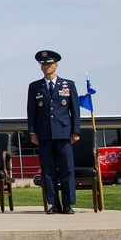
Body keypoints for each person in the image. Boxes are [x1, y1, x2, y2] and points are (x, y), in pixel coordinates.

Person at [27, 50, 81, 215]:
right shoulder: (35, 87)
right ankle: (53, 203)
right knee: (48, 171)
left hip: (63, 134)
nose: (46, 66)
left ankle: (67, 204)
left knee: (66, 170)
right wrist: (33, 132)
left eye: (49, 64)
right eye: (43, 64)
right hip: (44, 135)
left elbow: (75, 111)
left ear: (56, 65)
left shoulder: (68, 85)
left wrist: (75, 131)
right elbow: (32, 112)